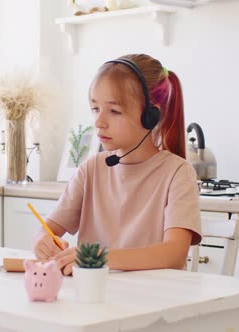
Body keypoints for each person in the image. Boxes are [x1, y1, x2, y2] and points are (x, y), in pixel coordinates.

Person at [33, 54, 201, 276]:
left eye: (114, 111)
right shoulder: (90, 170)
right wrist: (42, 241)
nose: (99, 122)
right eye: (95, 108)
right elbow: (47, 230)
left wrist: (98, 258)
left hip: (156, 301)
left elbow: (174, 254)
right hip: (96, 298)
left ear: (150, 116)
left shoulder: (178, 173)